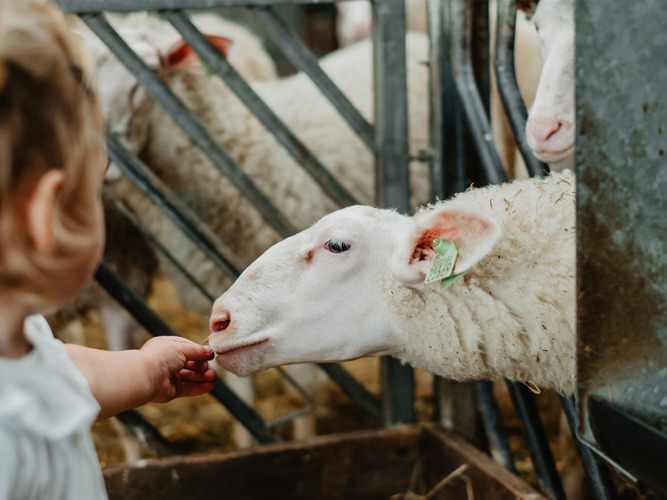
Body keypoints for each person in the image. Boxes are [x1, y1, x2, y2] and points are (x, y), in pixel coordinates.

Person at [0, 1, 216, 498]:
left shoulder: (20, 333)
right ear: (46, 219)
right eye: (95, 181)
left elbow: (58, 371)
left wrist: (144, 371)